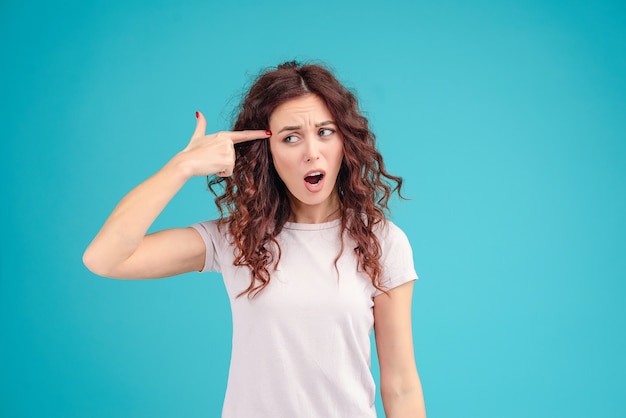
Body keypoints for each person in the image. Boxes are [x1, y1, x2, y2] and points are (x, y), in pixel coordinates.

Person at [83, 61, 426, 417]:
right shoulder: (236, 238)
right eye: (290, 137)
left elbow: (400, 384)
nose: (312, 152)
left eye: (325, 132)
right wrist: (180, 167)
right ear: (269, 152)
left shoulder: (381, 241)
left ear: (345, 141)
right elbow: (105, 258)